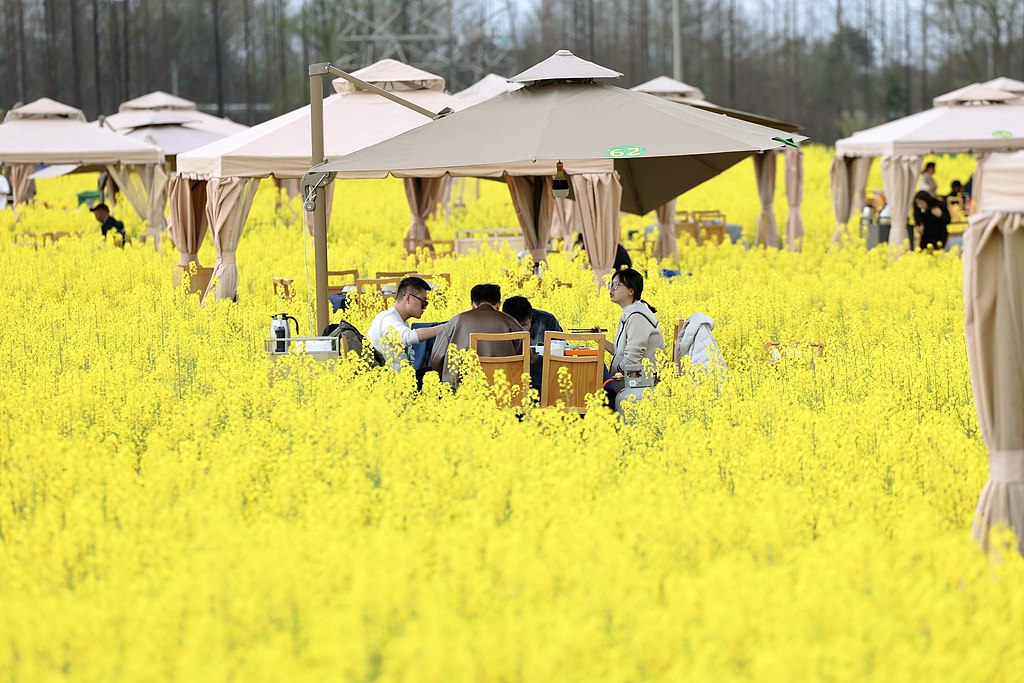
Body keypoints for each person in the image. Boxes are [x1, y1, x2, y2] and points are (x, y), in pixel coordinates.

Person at [430, 284, 524, 386]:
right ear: (498, 304)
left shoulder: (457, 321)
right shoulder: (510, 322)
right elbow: (528, 359)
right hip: (504, 387)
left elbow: (437, 358)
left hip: (463, 388)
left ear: (472, 304)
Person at [601, 268, 665, 405]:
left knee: (599, 391)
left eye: (617, 285)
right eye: (611, 285)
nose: (611, 289)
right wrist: (600, 339)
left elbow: (631, 358)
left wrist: (611, 375)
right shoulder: (630, 313)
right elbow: (621, 352)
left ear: (631, 291)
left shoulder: (637, 317)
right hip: (632, 375)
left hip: (641, 380)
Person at [367, 276, 446, 372]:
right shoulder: (388, 319)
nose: (425, 306)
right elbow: (408, 336)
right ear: (408, 298)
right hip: (389, 381)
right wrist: (444, 328)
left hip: (403, 378)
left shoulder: (401, 321)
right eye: (423, 301)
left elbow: (409, 356)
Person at [502, 296, 563, 390]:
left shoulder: (547, 320)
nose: (520, 330)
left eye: (523, 325)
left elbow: (561, 346)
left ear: (530, 317)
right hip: (510, 373)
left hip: (543, 373)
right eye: (515, 326)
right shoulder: (500, 323)